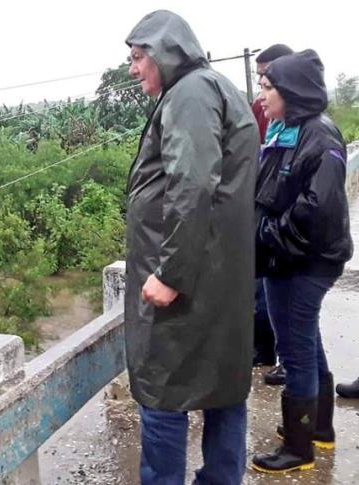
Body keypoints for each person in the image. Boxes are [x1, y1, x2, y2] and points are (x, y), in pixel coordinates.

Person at [124, 10, 257, 484]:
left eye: (139, 57)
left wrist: (170, 273)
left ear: (165, 51)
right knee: (222, 386)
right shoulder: (215, 88)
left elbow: (193, 183)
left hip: (188, 283)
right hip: (219, 276)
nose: (134, 68)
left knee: (163, 390)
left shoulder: (190, 93)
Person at [251, 49, 353, 474]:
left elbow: (318, 208)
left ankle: (298, 449)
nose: (261, 95)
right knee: (307, 341)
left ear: (290, 91)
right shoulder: (287, 129)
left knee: (295, 350)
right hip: (286, 260)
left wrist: (265, 234)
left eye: (268, 87)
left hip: (302, 261)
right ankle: (318, 429)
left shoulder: (320, 136)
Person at [251, 45, 294, 387]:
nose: (261, 87)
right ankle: (266, 352)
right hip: (266, 225)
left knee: (295, 319)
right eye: (259, 79)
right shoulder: (262, 114)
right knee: (263, 295)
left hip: (286, 236)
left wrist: (278, 231)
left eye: (267, 79)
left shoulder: (309, 130)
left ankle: (311, 428)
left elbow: (313, 196)